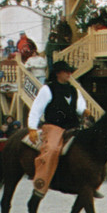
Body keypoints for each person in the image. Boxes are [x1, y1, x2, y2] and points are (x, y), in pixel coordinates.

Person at [25, 60, 87, 199]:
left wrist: (84, 111)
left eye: (70, 72)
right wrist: (32, 127)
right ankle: (41, 183)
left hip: (73, 126)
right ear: (58, 73)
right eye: (67, 72)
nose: (69, 74)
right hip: (54, 126)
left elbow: (79, 106)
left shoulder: (74, 90)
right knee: (52, 149)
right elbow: (36, 109)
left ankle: (88, 183)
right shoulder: (47, 89)